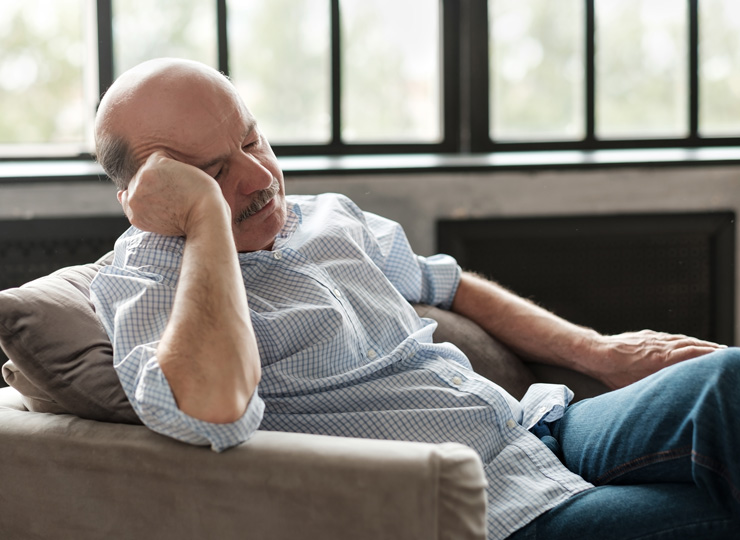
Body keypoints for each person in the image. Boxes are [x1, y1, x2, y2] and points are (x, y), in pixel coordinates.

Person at [90, 58, 739, 539]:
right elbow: (212, 409)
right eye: (210, 173)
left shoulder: (324, 219)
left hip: (531, 429)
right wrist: (206, 221)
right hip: (483, 509)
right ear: (150, 196)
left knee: (727, 382)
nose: (259, 179)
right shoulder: (144, 282)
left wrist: (600, 354)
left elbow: (448, 283)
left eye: (252, 141)